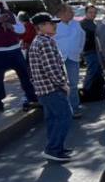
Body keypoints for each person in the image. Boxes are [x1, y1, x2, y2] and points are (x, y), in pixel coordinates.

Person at [26, 12, 73, 162]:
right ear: (41, 27)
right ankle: (53, 149)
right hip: (52, 89)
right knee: (64, 117)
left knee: (53, 119)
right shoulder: (45, 42)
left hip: (44, 90)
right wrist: (63, 84)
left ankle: (55, 147)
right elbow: (51, 68)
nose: (54, 25)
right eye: (51, 23)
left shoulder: (38, 41)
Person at [54, 4, 85, 118]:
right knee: (60, 85)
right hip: (59, 59)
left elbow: (82, 37)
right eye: (69, 11)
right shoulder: (55, 25)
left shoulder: (76, 24)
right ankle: (64, 108)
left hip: (73, 57)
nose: (72, 13)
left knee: (73, 84)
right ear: (62, 14)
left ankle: (75, 108)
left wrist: (79, 50)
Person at [79, 4, 105, 101]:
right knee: (92, 71)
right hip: (89, 51)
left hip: (96, 51)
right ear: (86, 13)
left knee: (97, 72)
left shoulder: (93, 23)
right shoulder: (83, 24)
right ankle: (86, 91)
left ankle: (98, 92)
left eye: (94, 12)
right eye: (90, 12)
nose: (93, 14)